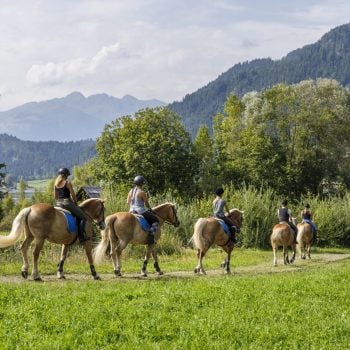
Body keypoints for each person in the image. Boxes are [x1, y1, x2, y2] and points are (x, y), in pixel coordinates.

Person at [54, 167, 89, 242]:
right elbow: (73, 196)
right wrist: (75, 202)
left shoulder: (55, 184)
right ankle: (81, 236)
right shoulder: (67, 183)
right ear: (66, 175)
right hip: (67, 203)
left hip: (58, 204)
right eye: (67, 176)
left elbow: (55, 197)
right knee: (83, 217)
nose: (67, 177)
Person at [127, 175, 159, 244]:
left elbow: (128, 202)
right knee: (156, 220)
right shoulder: (142, 192)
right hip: (140, 211)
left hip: (131, 210)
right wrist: (150, 209)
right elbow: (147, 204)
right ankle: (150, 237)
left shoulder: (131, 191)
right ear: (142, 183)